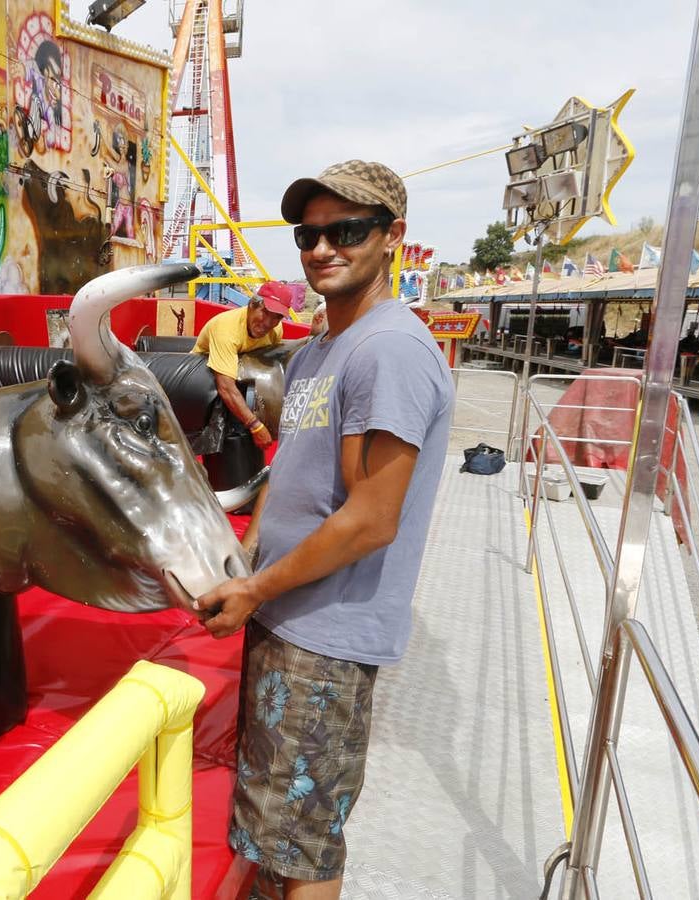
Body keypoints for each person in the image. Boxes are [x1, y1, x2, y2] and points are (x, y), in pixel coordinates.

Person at [192, 161, 454, 899]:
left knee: (304, 844)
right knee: (272, 829)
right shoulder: (316, 350)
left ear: (391, 238)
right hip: (287, 616)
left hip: (326, 637)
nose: (321, 248)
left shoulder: (387, 351)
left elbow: (371, 520)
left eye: (347, 231)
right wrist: (245, 563)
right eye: (309, 233)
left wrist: (256, 590)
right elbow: (292, 473)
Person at [192, 281, 296, 450]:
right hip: (203, 384)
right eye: (265, 312)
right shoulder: (226, 329)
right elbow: (225, 387)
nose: (268, 323)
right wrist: (256, 425)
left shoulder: (275, 331)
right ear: (251, 305)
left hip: (240, 384)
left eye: (277, 317)